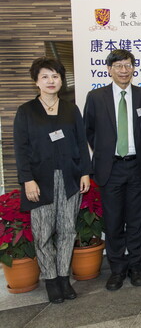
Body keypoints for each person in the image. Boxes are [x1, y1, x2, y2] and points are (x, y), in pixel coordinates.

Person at [14, 57, 91, 303]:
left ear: (61, 80)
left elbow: (81, 143)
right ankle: (50, 280)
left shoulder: (71, 109)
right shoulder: (26, 111)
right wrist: (27, 180)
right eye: (45, 76)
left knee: (68, 230)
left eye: (55, 76)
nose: (51, 81)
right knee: (43, 233)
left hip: (69, 179)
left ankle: (63, 278)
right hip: (40, 182)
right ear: (36, 81)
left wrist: (85, 172)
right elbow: (21, 148)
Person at [84, 49, 141, 291]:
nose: (124, 70)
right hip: (110, 168)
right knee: (112, 223)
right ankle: (117, 269)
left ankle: (136, 267)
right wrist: (104, 153)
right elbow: (89, 130)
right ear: (109, 69)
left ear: (133, 68)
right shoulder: (96, 97)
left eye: (128, 65)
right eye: (118, 66)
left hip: (137, 167)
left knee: (136, 221)